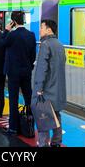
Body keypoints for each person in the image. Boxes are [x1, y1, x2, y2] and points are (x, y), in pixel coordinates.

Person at [1, 11, 36, 135]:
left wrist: (6, 30)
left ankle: (13, 128)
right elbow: (33, 55)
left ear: (13, 22)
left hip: (13, 72)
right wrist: (29, 66)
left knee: (13, 98)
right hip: (26, 71)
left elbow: (2, 43)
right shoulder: (31, 35)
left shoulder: (12, 35)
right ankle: (31, 125)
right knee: (28, 98)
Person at [32, 19, 66, 147]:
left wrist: (39, 88)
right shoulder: (59, 44)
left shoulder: (45, 45)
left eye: (42, 27)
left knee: (43, 116)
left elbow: (42, 69)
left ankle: (43, 144)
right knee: (56, 114)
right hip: (58, 87)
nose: (39, 30)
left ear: (48, 30)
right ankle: (57, 142)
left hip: (47, 88)